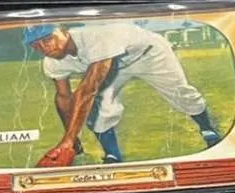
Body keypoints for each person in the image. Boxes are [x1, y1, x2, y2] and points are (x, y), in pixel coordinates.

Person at [22, 21, 220, 167]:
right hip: (112, 65)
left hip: (149, 55)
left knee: (181, 93)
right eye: (35, 45)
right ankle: (112, 156)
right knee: (101, 109)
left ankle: (208, 130)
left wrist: (66, 141)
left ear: (64, 31)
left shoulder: (94, 36)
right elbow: (64, 97)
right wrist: (72, 139)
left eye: (47, 39)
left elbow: (88, 89)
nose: (44, 47)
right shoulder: (52, 62)